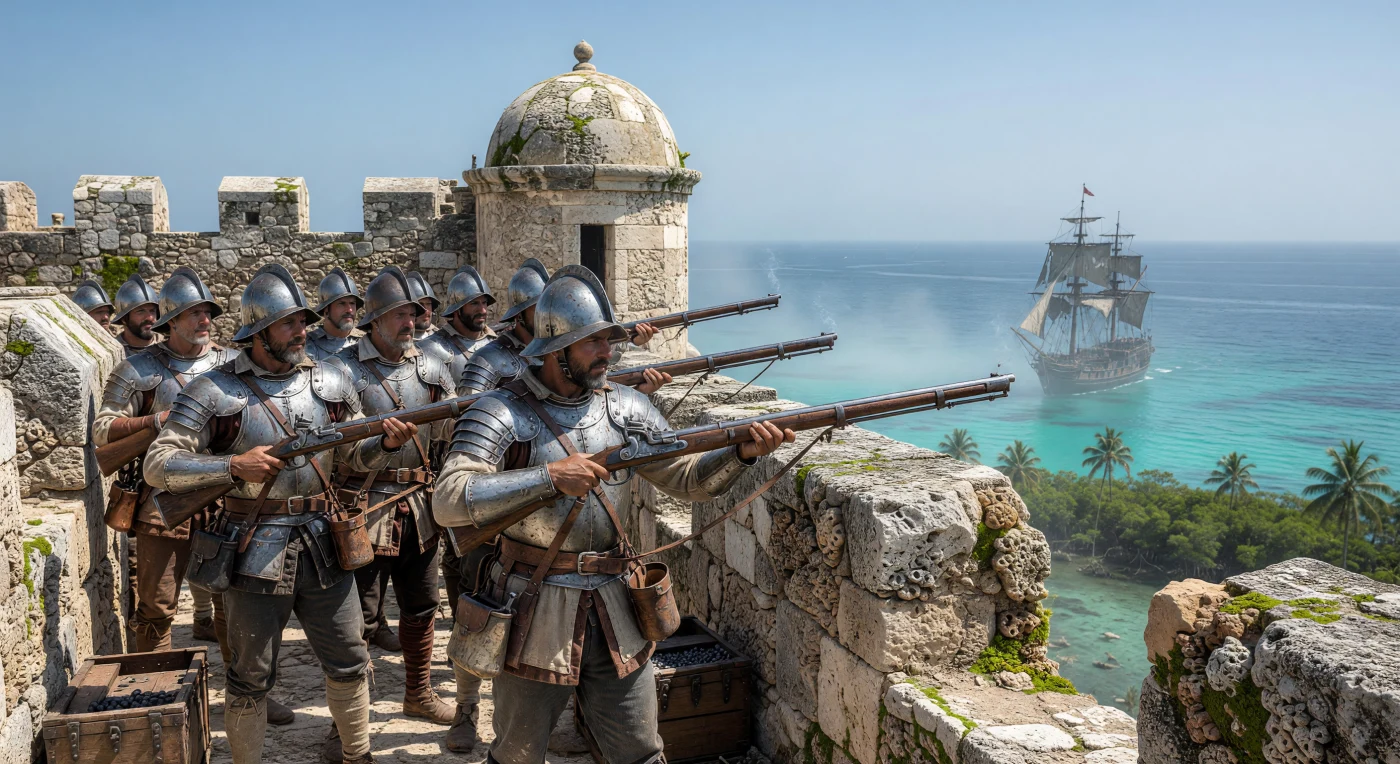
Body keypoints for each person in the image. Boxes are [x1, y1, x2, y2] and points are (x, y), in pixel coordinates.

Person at [432, 265, 794, 764]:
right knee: (517, 753)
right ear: (556, 349)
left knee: (640, 751)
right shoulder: (499, 411)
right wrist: (549, 477)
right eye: (593, 343)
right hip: (532, 605)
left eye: (609, 340)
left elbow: (686, 479)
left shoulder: (626, 408)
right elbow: (449, 499)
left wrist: (740, 454)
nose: (607, 353)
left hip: (617, 604)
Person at [145, 263, 417, 764]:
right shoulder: (214, 390)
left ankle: (357, 756)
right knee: (249, 677)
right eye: (290, 322)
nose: (303, 331)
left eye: (303, 322)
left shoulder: (332, 378)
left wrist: (382, 443)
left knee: (351, 662)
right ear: (259, 331)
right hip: (252, 548)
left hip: (324, 540)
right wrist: (232, 465)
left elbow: (351, 455)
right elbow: (161, 464)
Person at [321, 267, 458, 760]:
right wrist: (380, 444)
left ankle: (418, 694)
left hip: (420, 507)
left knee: (422, 607)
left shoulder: (434, 369)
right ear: (375, 321)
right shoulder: (342, 374)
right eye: (401, 314)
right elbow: (334, 451)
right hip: (363, 507)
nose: (411, 321)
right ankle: (347, 725)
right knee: (357, 618)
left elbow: (453, 435)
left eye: (415, 313)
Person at [419, 265, 497, 383]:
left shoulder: (496, 345)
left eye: (484, 303)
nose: (483, 310)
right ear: (457, 309)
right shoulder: (430, 349)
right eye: (474, 303)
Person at [307, 268, 365, 361]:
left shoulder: (367, 343)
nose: (349, 310)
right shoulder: (307, 345)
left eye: (352, 303)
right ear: (326, 310)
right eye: (342, 304)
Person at [111, 274, 161, 355]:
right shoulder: (112, 353)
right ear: (124, 319)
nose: (150, 317)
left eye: (152, 311)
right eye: (141, 311)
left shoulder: (169, 349)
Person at [405, 271, 440, 340]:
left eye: (428, 304)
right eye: (420, 304)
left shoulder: (440, 338)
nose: (426, 311)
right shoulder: (395, 343)